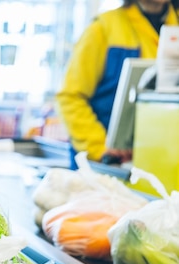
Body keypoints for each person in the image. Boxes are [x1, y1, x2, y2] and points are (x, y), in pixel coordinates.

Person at [55, 0, 179, 167]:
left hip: (160, 161)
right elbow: (70, 97)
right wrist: (100, 147)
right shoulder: (103, 28)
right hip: (104, 165)